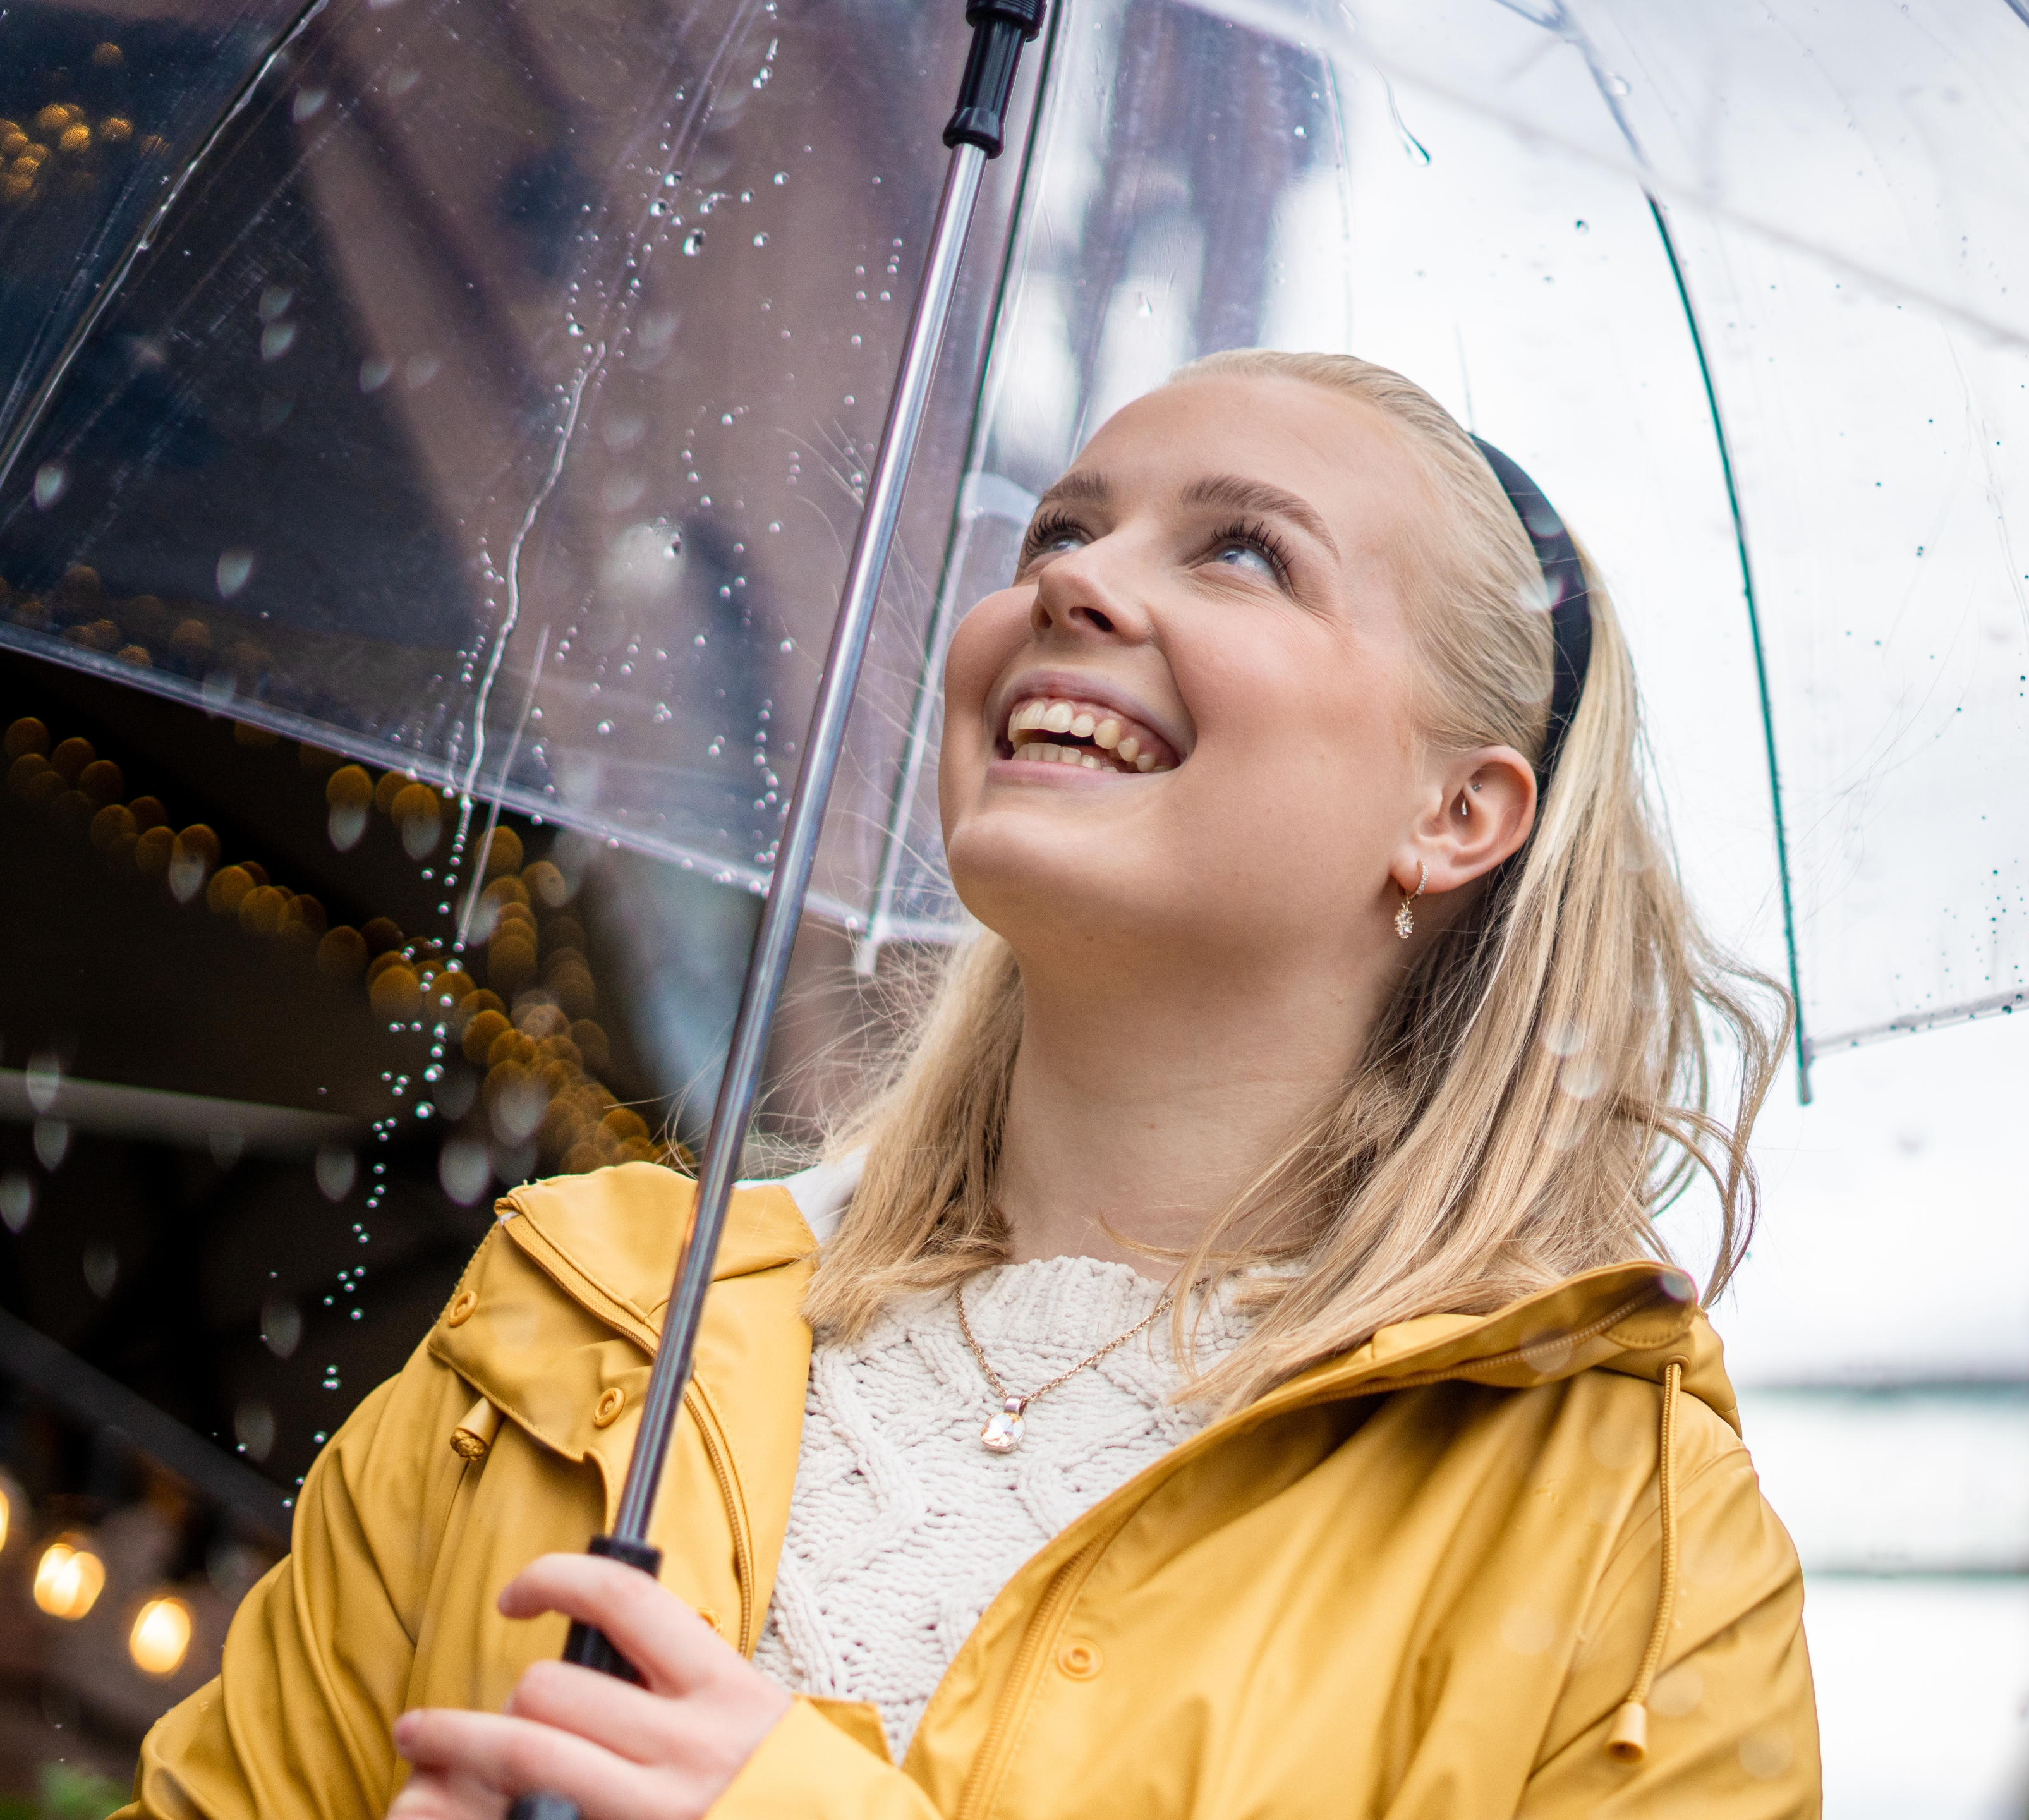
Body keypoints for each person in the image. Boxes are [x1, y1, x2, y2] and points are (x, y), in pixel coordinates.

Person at [124, 351, 1818, 1819]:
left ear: (1460, 815)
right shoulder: (586, 1323)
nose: (1069, 588)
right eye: (1061, 533)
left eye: (1242, 552)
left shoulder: (1623, 1526)